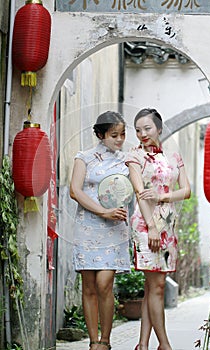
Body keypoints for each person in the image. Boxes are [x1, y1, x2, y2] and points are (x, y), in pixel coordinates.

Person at [125, 108, 191, 350]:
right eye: (138, 130)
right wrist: (151, 227)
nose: (142, 134)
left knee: (153, 286)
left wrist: (163, 196)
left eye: (147, 128)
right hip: (146, 225)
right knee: (158, 286)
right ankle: (164, 344)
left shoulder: (174, 156)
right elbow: (140, 193)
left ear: (159, 129)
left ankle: (142, 344)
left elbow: (186, 190)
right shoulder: (134, 156)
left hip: (168, 226)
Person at [70, 111, 131, 350]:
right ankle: (94, 342)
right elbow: (75, 191)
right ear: (100, 134)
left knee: (105, 283)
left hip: (114, 230)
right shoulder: (83, 158)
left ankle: (106, 340)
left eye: (123, 134)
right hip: (87, 227)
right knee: (88, 286)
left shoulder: (127, 160)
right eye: (114, 135)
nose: (119, 139)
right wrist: (102, 212)